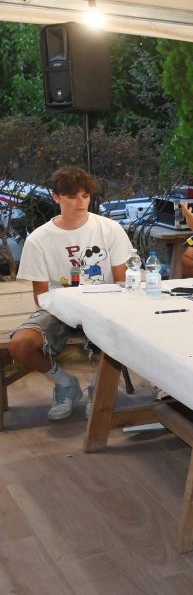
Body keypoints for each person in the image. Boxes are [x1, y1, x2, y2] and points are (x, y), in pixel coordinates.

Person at [9, 166, 132, 420]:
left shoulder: (110, 229)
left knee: (130, 334)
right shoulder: (39, 239)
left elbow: (123, 283)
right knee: (20, 345)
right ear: (56, 197)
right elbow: (41, 296)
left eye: (85, 195)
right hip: (60, 310)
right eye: (72, 196)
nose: (80, 202)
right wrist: (70, 309)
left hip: (105, 307)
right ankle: (66, 383)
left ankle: (100, 389)